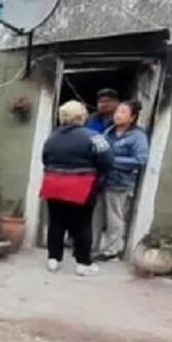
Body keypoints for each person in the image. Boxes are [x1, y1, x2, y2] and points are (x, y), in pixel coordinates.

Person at [40, 100, 114, 275]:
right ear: (81, 116)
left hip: (53, 184)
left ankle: (53, 259)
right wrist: (98, 175)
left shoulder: (52, 137)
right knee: (82, 224)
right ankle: (83, 263)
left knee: (56, 222)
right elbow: (108, 160)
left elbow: (45, 158)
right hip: (82, 185)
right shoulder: (94, 136)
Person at [97, 100, 149, 260]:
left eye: (123, 112)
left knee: (114, 217)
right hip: (102, 179)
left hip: (120, 182)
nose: (118, 115)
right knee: (97, 215)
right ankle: (92, 247)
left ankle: (112, 251)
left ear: (132, 117)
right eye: (117, 111)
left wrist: (113, 161)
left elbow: (140, 160)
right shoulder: (109, 131)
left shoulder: (137, 136)